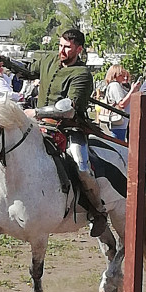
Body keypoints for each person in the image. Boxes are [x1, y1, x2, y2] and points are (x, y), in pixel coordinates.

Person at [28, 28, 107, 238]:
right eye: (60, 45)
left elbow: (68, 108)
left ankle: (97, 210)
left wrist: (35, 111)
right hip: (37, 124)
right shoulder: (48, 60)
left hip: (68, 128)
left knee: (82, 167)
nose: (62, 50)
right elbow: (28, 69)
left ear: (79, 49)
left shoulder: (82, 74)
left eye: (67, 47)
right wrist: (5, 63)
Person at [100, 65, 139, 141]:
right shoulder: (115, 85)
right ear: (114, 75)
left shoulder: (116, 85)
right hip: (118, 123)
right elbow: (122, 104)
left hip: (120, 123)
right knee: (119, 145)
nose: (123, 77)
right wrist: (132, 90)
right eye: (121, 74)